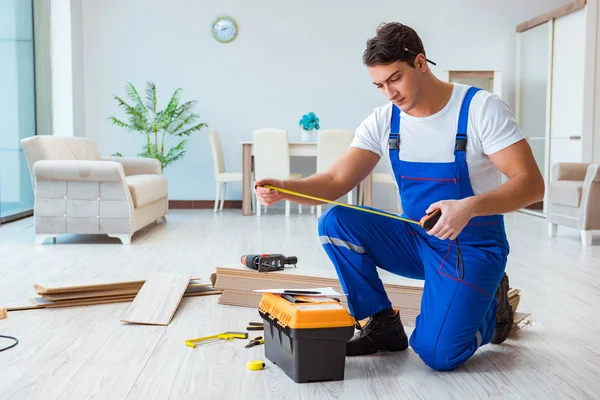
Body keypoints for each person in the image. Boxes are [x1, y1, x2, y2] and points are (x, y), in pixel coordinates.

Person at [254, 22, 544, 371]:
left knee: (438, 355)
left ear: (420, 63)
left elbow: (531, 185)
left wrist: (469, 207)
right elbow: (333, 181)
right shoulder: (385, 121)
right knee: (335, 221)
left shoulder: (480, 109)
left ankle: (493, 315)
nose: (389, 92)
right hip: (416, 239)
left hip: (472, 246)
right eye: (379, 85)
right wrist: (284, 188)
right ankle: (383, 324)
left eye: (395, 79)